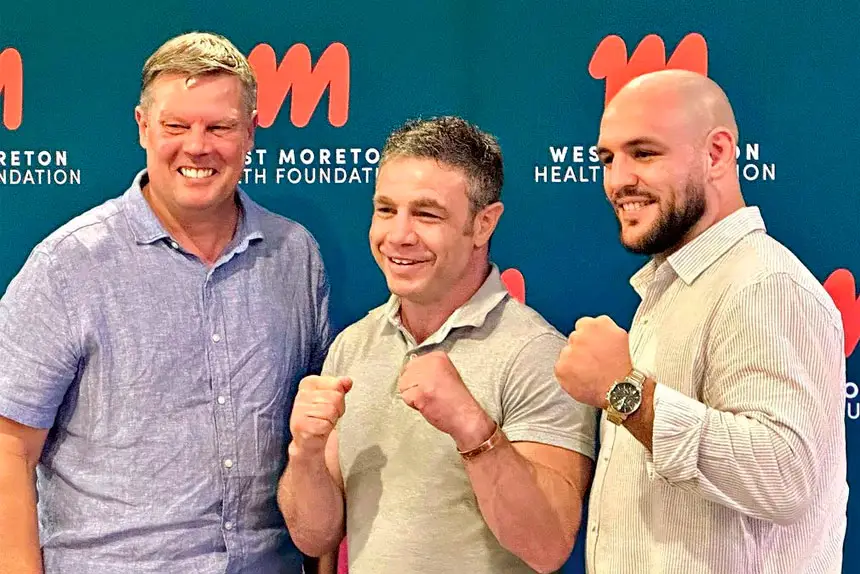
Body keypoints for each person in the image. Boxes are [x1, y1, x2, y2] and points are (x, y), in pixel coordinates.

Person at [0, 32, 331, 574]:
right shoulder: (68, 265)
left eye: (219, 127)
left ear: (250, 131)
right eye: (176, 126)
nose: (196, 146)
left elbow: (318, 447)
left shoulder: (295, 257)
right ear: (143, 127)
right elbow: (7, 451)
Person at [553, 69, 847, 573]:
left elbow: (786, 476)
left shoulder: (762, 284)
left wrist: (623, 390)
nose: (618, 180)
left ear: (716, 154)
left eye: (644, 153)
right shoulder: (680, 286)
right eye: (607, 159)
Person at [278, 116, 597, 573]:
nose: (399, 235)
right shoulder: (353, 346)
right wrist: (305, 452)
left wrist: (472, 427)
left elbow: (546, 548)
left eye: (426, 214)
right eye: (386, 210)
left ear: (484, 224)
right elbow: (316, 535)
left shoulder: (536, 353)